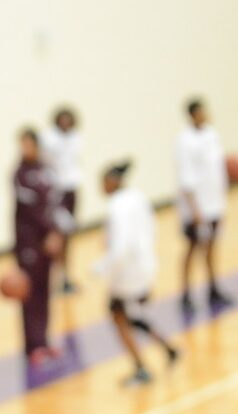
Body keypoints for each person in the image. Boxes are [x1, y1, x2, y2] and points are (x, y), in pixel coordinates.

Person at [94, 161, 179, 386]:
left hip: (128, 271)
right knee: (132, 314)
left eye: (102, 182)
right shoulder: (138, 197)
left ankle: (141, 368)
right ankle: (168, 348)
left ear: (112, 182)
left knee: (118, 314)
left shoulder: (116, 206)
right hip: (146, 264)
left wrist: (101, 267)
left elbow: (121, 248)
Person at [14, 128, 74, 365]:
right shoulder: (20, 174)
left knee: (45, 291)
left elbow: (56, 203)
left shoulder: (46, 171)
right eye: (21, 144)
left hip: (49, 243)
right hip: (29, 243)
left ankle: (45, 340)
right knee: (29, 294)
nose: (24, 149)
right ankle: (33, 346)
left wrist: (58, 233)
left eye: (28, 144)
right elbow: (32, 211)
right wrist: (50, 232)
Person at [175, 98, 232, 311]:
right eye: (200, 112)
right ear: (191, 115)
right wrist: (195, 210)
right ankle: (185, 293)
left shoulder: (211, 134)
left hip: (214, 203)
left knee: (212, 247)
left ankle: (212, 288)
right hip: (196, 208)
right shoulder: (184, 142)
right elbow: (185, 179)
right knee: (192, 248)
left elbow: (217, 170)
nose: (205, 115)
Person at [41, 106, 83, 293]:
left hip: (71, 190)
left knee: (68, 236)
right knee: (56, 236)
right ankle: (54, 279)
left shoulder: (76, 137)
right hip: (56, 193)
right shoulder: (49, 140)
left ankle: (65, 277)